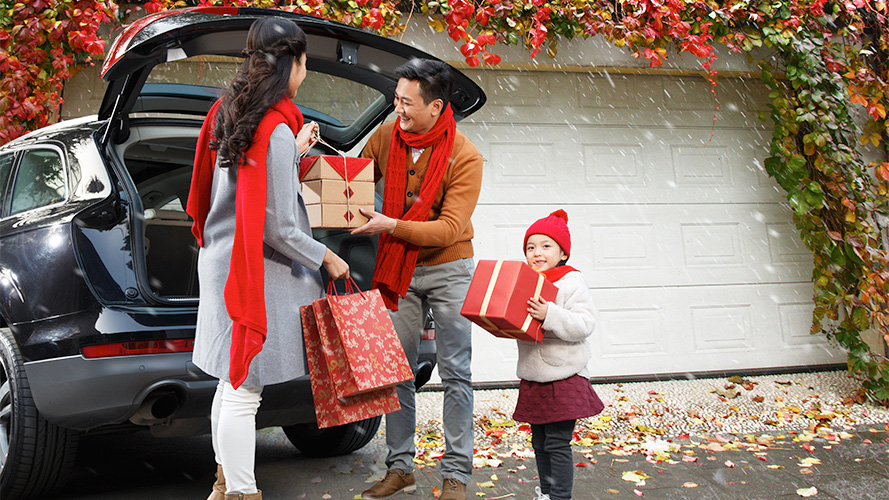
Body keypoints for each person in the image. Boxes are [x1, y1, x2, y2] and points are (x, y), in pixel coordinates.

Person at [186, 17, 349, 500]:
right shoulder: (273, 129)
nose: (305, 74)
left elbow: (241, 184)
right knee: (245, 388)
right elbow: (276, 226)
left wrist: (292, 151)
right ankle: (241, 492)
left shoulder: (229, 112)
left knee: (229, 382)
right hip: (253, 270)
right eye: (304, 64)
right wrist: (327, 258)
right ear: (293, 65)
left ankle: (223, 484)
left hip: (221, 259)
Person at [351, 58, 483, 500]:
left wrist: (391, 226)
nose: (398, 109)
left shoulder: (465, 155)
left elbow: (448, 228)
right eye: (396, 99)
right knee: (398, 371)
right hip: (399, 268)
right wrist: (303, 155)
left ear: (436, 106)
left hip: (449, 267)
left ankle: (456, 476)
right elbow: (353, 178)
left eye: (406, 102)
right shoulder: (387, 134)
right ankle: (400, 468)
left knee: (456, 373)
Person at [515, 210, 604, 500]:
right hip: (534, 374)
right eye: (531, 247)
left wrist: (550, 313)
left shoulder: (570, 281)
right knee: (539, 442)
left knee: (557, 442)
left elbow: (584, 324)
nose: (537, 253)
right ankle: (548, 492)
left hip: (564, 375)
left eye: (546, 246)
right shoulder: (523, 281)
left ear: (563, 253)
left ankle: (560, 497)